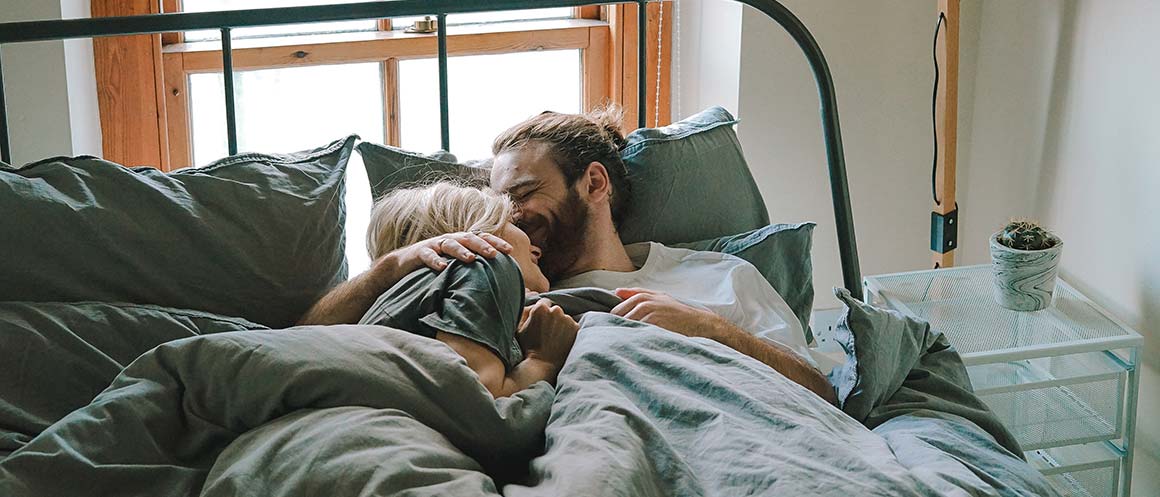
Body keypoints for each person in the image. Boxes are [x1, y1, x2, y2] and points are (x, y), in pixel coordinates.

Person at [488, 107, 837, 405]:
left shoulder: (720, 275)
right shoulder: (510, 291)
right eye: (500, 205)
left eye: (523, 194)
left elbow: (822, 393)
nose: (510, 216)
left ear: (594, 183)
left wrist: (708, 328)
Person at [299, 182, 578, 399]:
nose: (536, 247)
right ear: (474, 233)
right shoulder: (482, 267)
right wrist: (544, 361)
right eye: (513, 225)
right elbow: (482, 405)